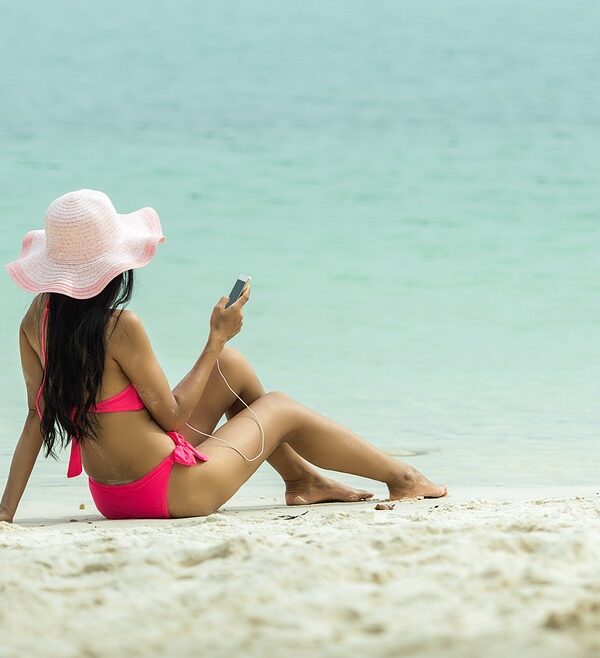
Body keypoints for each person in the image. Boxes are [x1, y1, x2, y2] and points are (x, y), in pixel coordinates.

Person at [0, 189, 446, 523]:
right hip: (168, 493)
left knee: (230, 368)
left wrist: (5, 513)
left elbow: (35, 420)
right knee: (282, 408)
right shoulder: (120, 327)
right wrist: (215, 338)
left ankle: (302, 480)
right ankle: (402, 478)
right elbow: (172, 419)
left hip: (110, 495)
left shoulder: (36, 321)